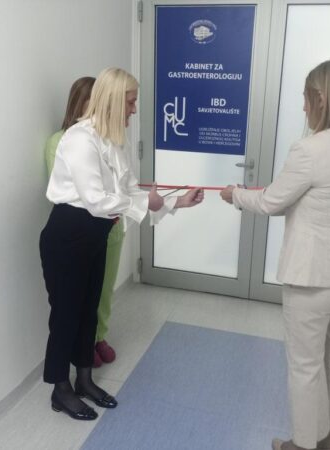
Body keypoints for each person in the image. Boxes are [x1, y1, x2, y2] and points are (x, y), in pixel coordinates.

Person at [220, 60, 330, 450]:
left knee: (305, 366)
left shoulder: (310, 149)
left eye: (306, 98)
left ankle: (303, 445)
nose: (304, 107)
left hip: (314, 279)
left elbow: (271, 202)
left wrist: (234, 195)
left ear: (321, 98)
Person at [39, 67, 204, 421]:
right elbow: (96, 199)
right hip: (68, 235)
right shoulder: (79, 139)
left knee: (89, 309)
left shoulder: (115, 140)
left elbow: (130, 192)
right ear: (113, 101)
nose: (134, 109)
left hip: (95, 235)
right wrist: (146, 202)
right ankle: (60, 389)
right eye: (130, 102)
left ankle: (84, 379)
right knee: (66, 315)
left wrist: (176, 201)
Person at [45, 76, 121, 368]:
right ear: (78, 104)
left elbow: (118, 183)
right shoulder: (62, 141)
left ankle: (98, 336)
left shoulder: (106, 140)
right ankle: (81, 349)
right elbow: (77, 193)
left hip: (110, 229)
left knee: (101, 292)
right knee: (74, 301)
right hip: (81, 231)